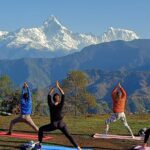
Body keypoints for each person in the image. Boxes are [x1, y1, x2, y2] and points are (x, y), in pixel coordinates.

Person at [34, 81, 81, 150]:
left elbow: (49, 95)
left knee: (41, 129)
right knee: (69, 136)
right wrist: (58, 87)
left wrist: (54, 87)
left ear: (53, 99)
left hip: (54, 124)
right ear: (59, 100)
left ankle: (40, 144)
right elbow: (63, 94)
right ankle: (78, 147)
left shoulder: (51, 105)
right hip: (61, 123)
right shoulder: (60, 105)